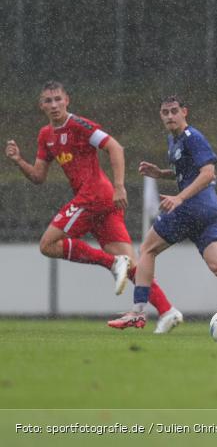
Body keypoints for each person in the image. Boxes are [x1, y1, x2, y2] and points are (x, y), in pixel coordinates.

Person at [5, 81, 180, 333]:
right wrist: (18, 160)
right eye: (48, 101)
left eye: (58, 99)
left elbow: (114, 147)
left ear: (68, 100)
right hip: (96, 201)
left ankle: (110, 263)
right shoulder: (45, 135)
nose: (54, 105)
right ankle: (168, 311)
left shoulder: (79, 125)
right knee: (132, 266)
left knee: (47, 245)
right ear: (41, 105)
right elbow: (38, 176)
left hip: (95, 194)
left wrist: (120, 186)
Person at [108, 96, 217, 329]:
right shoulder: (174, 140)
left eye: (174, 111)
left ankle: (137, 312)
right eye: (165, 112)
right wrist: (161, 174)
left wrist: (179, 198)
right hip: (210, 211)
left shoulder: (193, 137)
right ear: (161, 116)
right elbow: (188, 172)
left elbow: (208, 172)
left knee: (147, 249)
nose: (169, 116)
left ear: (184, 112)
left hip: (192, 208)